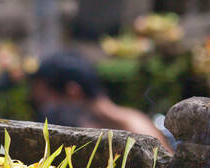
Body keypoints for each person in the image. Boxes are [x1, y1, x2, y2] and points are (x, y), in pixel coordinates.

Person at [29, 51, 173, 152]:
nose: (45, 112)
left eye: (46, 103)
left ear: (73, 92)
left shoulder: (132, 125)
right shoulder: (83, 125)